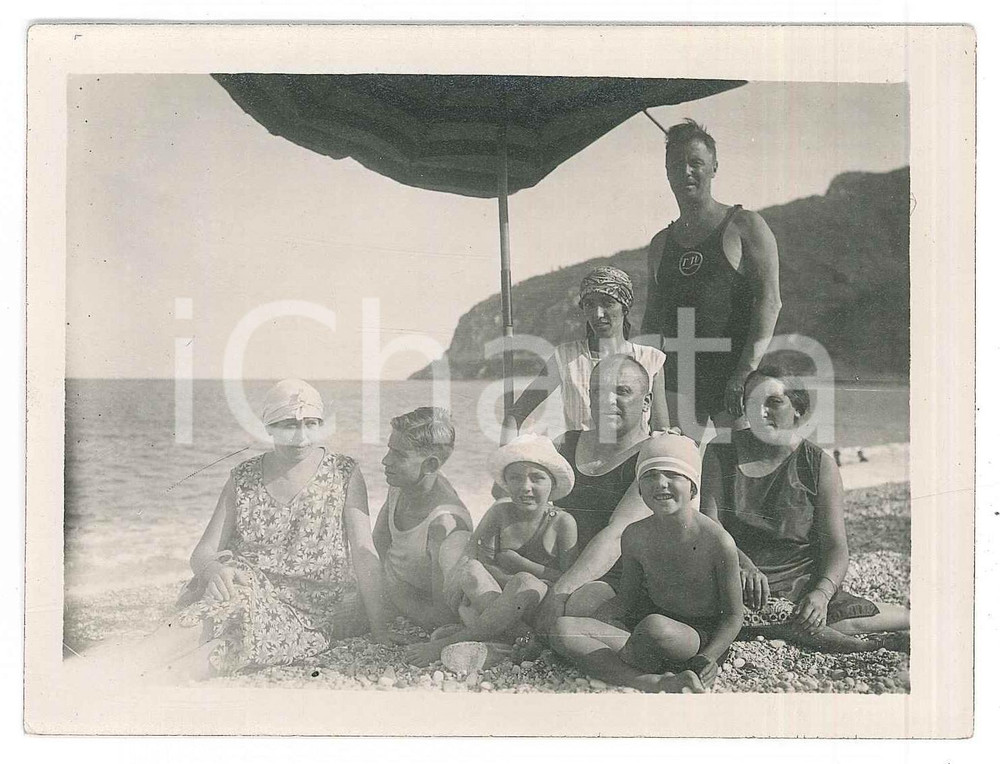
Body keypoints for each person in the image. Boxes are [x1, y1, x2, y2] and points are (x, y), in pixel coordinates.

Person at [80, 379, 394, 682]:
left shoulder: (343, 473)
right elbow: (203, 553)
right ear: (269, 427)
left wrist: (381, 631)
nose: (301, 437)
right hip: (243, 588)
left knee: (222, 647)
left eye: (311, 424)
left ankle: (122, 680)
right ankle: (118, 672)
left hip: (308, 610)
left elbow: (364, 554)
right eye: (289, 425)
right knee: (223, 606)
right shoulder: (244, 477)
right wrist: (213, 570)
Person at [700, 365, 910, 651]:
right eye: (752, 402)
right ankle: (804, 628)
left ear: (798, 409)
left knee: (838, 619)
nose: (761, 412)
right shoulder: (721, 451)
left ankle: (916, 619)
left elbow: (836, 547)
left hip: (796, 582)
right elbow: (710, 524)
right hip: (736, 575)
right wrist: (743, 565)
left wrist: (821, 594)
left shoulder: (818, 465)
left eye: (773, 402)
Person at [549, 433, 743, 692]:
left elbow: (733, 616)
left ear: (693, 486)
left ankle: (615, 665)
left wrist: (709, 657)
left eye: (672, 475)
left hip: (694, 636)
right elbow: (626, 601)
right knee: (563, 628)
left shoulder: (717, 541)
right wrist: (596, 622)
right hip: (644, 630)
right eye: (650, 476)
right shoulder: (634, 535)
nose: (661, 484)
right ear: (639, 488)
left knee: (655, 628)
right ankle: (654, 681)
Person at [640, 119, 781, 441]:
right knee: (674, 462)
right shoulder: (661, 243)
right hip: (677, 379)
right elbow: (652, 320)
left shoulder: (745, 226)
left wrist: (744, 372)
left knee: (738, 462)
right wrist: (645, 381)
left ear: (714, 167)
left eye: (696, 163)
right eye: (676, 165)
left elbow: (770, 302)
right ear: (666, 172)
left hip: (732, 377)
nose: (686, 172)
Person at [402, 434, 578, 667]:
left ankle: (455, 640)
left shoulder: (562, 522)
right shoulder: (500, 512)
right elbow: (478, 556)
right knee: (471, 569)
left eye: (537, 478)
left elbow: (568, 578)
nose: (526, 487)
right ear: (505, 482)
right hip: (498, 597)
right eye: (515, 478)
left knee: (523, 581)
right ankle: (521, 639)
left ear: (553, 484)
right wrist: (467, 576)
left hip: (537, 601)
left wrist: (520, 564)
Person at [532, 354, 659, 630]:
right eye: (599, 391)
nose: (608, 401)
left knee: (580, 604)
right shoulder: (565, 443)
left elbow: (616, 535)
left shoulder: (652, 456)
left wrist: (559, 592)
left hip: (612, 579)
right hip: (559, 568)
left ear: (646, 402)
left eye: (622, 391)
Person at [504, 266, 669, 435]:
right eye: (589, 304)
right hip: (579, 451)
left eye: (607, 303)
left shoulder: (650, 359)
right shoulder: (565, 358)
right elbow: (516, 413)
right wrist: (508, 449)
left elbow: (660, 431)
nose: (597, 314)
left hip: (635, 451)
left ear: (624, 308)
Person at [373, 407, 474, 632]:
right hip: (386, 590)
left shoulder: (445, 524)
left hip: (409, 607)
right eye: (389, 450)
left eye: (399, 455)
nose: (385, 460)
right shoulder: (401, 485)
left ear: (431, 465)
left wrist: (391, 593)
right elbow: (378, 543)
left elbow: (444, 616)